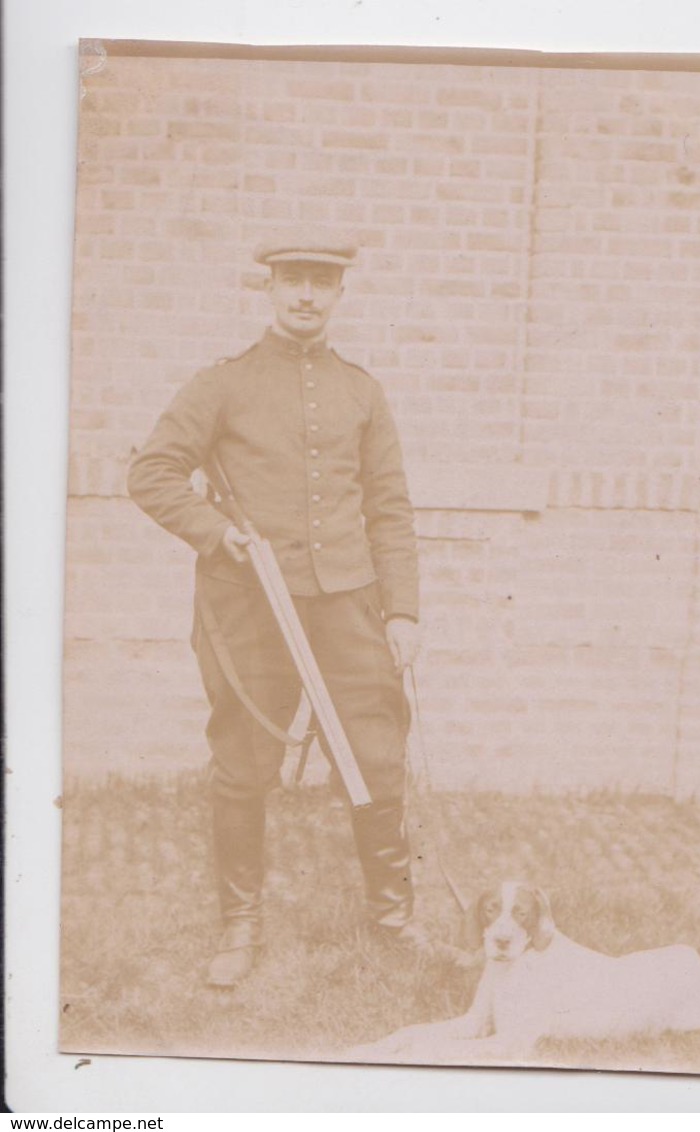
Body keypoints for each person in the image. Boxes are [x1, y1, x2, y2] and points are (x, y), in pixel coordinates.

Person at [128, 228, 423, 988]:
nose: (305, 296)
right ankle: (241, 925)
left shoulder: (362, 390)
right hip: (250, 606)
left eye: (321, 283)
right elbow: (153, 471)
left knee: (378, 758)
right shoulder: (222, 385)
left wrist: (401, 612)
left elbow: (389, 508)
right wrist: (216, 531)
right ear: (268, 287)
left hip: (349, 605)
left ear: (339, 293)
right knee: (244, 763)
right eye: (292, 280)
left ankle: (393, 919)